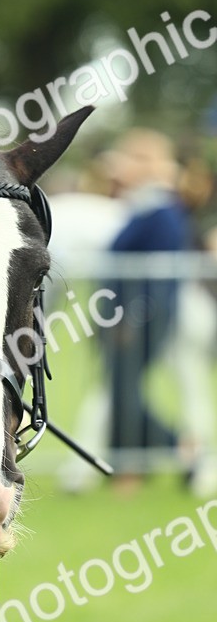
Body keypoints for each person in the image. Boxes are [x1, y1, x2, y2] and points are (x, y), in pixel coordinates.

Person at [102, 129, 192, 483]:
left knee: (126, 392)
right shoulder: (145, 207)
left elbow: (158, 275)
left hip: (141, 318)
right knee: (122, 391)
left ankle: (175, 450)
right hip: (128, 316)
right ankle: (140, 463)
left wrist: (133, 318)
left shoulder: (162, 211)